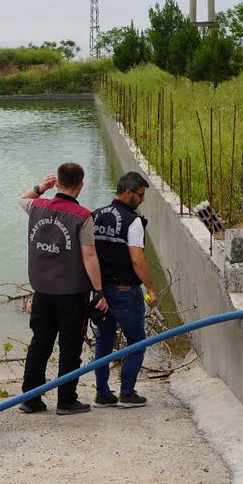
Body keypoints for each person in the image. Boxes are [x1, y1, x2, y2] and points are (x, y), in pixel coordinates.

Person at [17, 162, 107, 415]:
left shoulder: (37, 207)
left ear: (56, 181)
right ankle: (66, 400)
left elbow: (21, 199)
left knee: (40, 343)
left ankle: (30, 398)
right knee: (70, 346)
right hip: (72, 294)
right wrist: (99, 291)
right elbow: (89, 256)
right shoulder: (83, 217)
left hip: (42, 291)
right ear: (80, 185)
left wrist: (39, 187)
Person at [91, 171, 158, 408]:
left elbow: (88, 253)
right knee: (137, 341)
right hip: (125, 291)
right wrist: (151, 287)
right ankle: (127, 393)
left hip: (102, 290)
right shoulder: (133, 221)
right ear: (128, 193)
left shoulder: (95, 215)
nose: (141, 200)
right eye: (140, 195)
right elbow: (138, 260)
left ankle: (102, 394)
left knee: (103, 342)